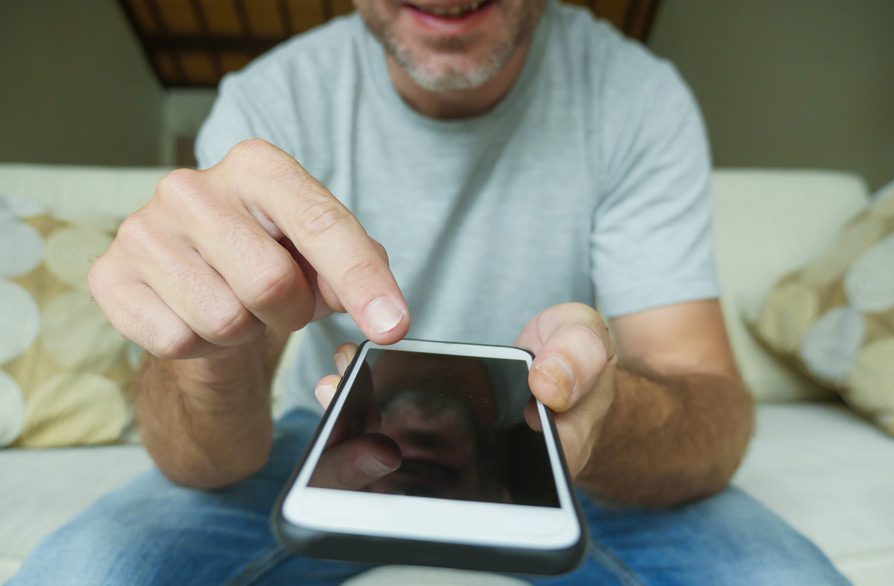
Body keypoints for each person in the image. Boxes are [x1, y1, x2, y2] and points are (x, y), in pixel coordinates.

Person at [12, 1, 849, 584]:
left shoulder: (637, 96)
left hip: (573, 450)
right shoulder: (271, 98)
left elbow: (712, 414)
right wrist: (215, 361)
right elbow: (207, 460)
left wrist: (606, 410)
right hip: (324, 435)